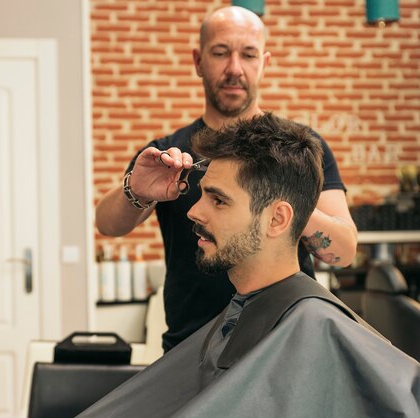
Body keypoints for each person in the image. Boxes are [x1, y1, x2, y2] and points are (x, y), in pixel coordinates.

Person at [80, 114, 420, 418]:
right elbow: (107, 223)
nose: (193, 211)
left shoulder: (317, 333)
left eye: (218, 200)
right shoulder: (244, 322)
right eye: (202, 193)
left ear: (277, 219)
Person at [95, 5, 358, 352]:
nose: (235, 68)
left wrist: (287, 193)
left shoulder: (299, 149)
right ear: (198, 61)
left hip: (285, 344)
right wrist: (138, 191)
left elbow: (344, 253)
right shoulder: (168, 155)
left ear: (264, 63)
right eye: (220, 53)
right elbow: (107, 225)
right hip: (191, 349)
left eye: (248, 55)